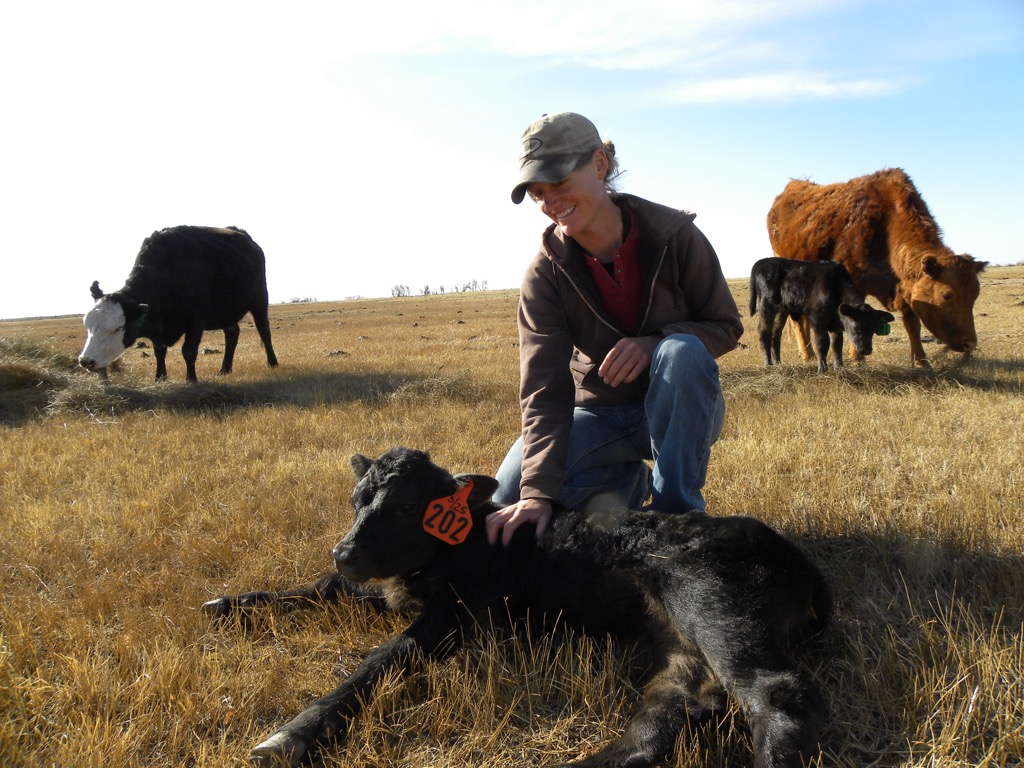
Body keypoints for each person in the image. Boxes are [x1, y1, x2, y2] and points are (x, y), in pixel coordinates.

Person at [485, 112, 744, 547]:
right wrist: (537, 493)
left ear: (599, 164)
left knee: (680, 352)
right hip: (597, 413)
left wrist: (656, 342)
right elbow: (544, 388)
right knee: (507, 498)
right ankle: (625, 483)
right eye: (538, 193)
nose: (550, 203)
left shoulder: (675, 235)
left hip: (679, 407)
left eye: (559, 181)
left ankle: (676, 519)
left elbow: (725, 324)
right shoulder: (544, 273)